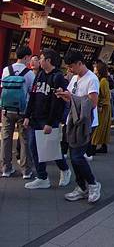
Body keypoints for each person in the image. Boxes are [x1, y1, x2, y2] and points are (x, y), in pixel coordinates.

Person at [56, 50, 101, 203]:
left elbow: (93, 103)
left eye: (71, 66)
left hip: (86, 122)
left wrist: (71, 97)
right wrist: (64, 95)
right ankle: (82, 187)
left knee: (76, 157)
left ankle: (93, 184)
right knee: (74, 157)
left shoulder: (92, 79)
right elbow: (71, 98)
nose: (69, 70)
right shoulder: (74, 78)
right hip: (73, 121)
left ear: (80, 63)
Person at [23, 48, 72, 189]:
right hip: (36, 118)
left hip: (49, 120)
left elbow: (58, 103)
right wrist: (27, 115)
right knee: (34, 147)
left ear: (48, 61)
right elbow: (32, 96)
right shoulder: (39, 75)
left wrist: (50, 122)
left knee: (52, 149)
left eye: (42, 58)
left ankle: (65, 169)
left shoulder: (58, 77)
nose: (39, 61)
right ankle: (42, 177)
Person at [1, 45, 35, 178]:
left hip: (6, 109)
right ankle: (26, 170)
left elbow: (3, 88)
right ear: (26, 57)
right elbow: (32, 93)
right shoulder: (29, 73)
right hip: (23, 110)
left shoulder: (6, 70)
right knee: (25, 139)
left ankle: (6, 169)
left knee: (6, 139)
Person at [90, 61, 111, 155]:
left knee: (98, 127)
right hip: (104, 107)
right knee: (103, 127)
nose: (94, 70)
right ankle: (103, 146)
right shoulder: (103, 80)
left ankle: (93, 147)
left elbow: (106, 96)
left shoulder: (102, 81)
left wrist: (100, 105)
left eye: (95, 68)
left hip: (102, 108)